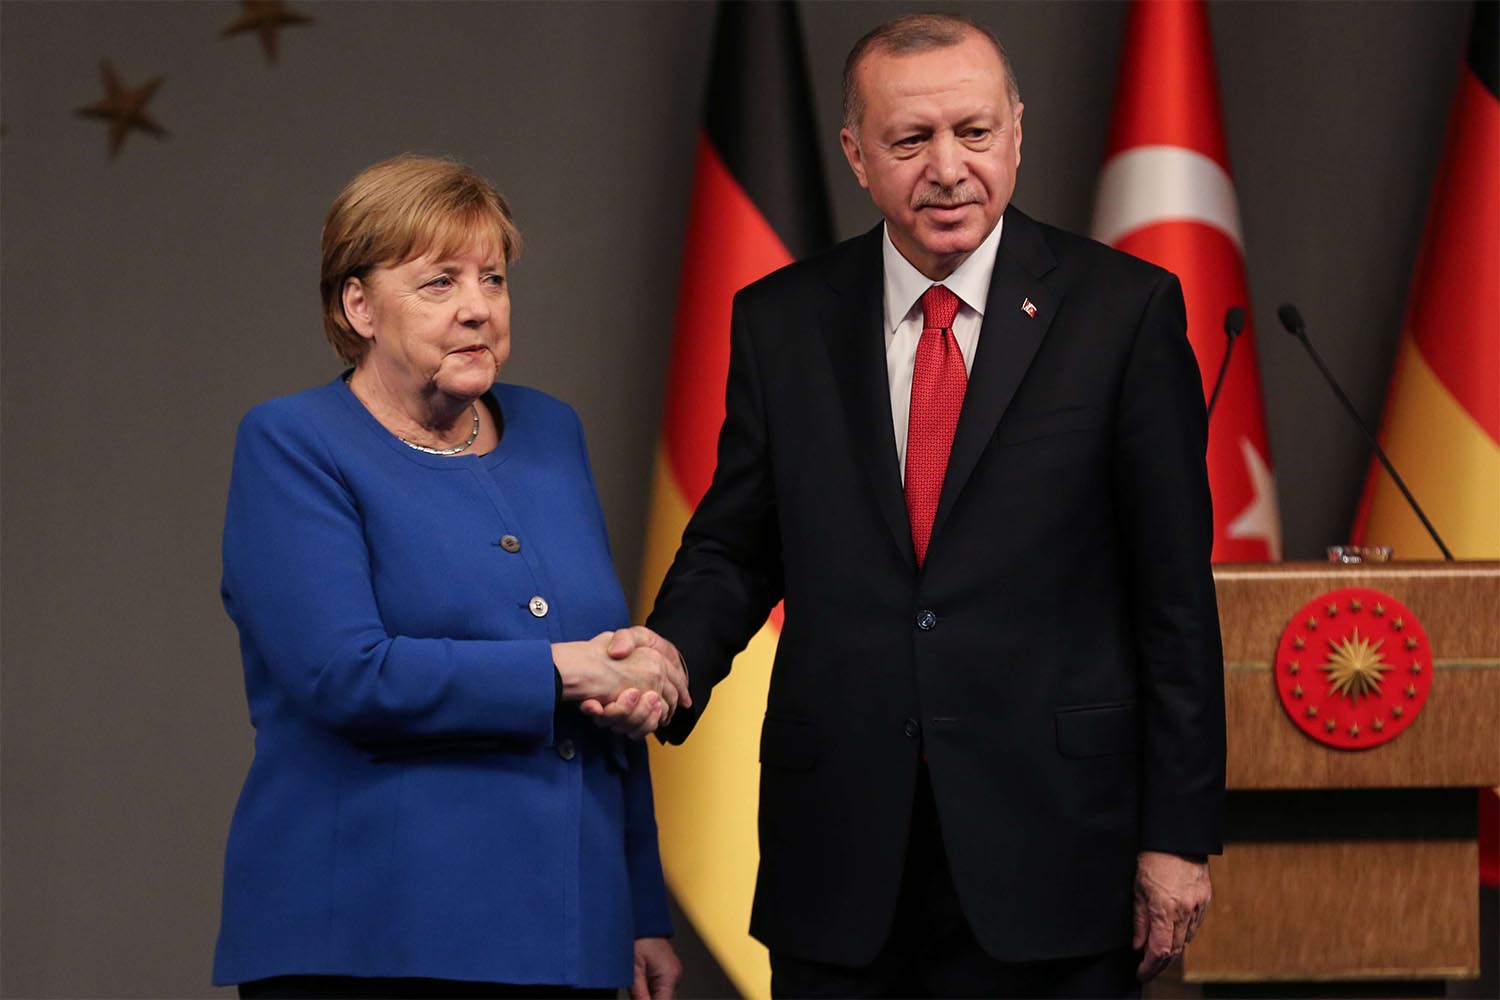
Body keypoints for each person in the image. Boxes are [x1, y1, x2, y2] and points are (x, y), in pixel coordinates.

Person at [623, 13, 1226, 999]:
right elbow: (736, 546)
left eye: (974, 133)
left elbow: (1173, 597)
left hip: (1054, 850)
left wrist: (1177, 836)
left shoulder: (1124, 312)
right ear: (858, 155)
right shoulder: (782, 320)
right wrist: (672, 658)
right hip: (844, 857)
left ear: (1017, 133)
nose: (948, 168)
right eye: (911, 141)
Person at [213, 155, 687, 999]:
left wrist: (639, 903)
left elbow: (604, 678)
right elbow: (343, 675)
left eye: (493, 279)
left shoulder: (549, 430)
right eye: (438, 282)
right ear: (358, 305)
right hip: (371, 937)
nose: (478, 306)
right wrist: (565, 667)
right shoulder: (292, 442)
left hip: (564, 932)